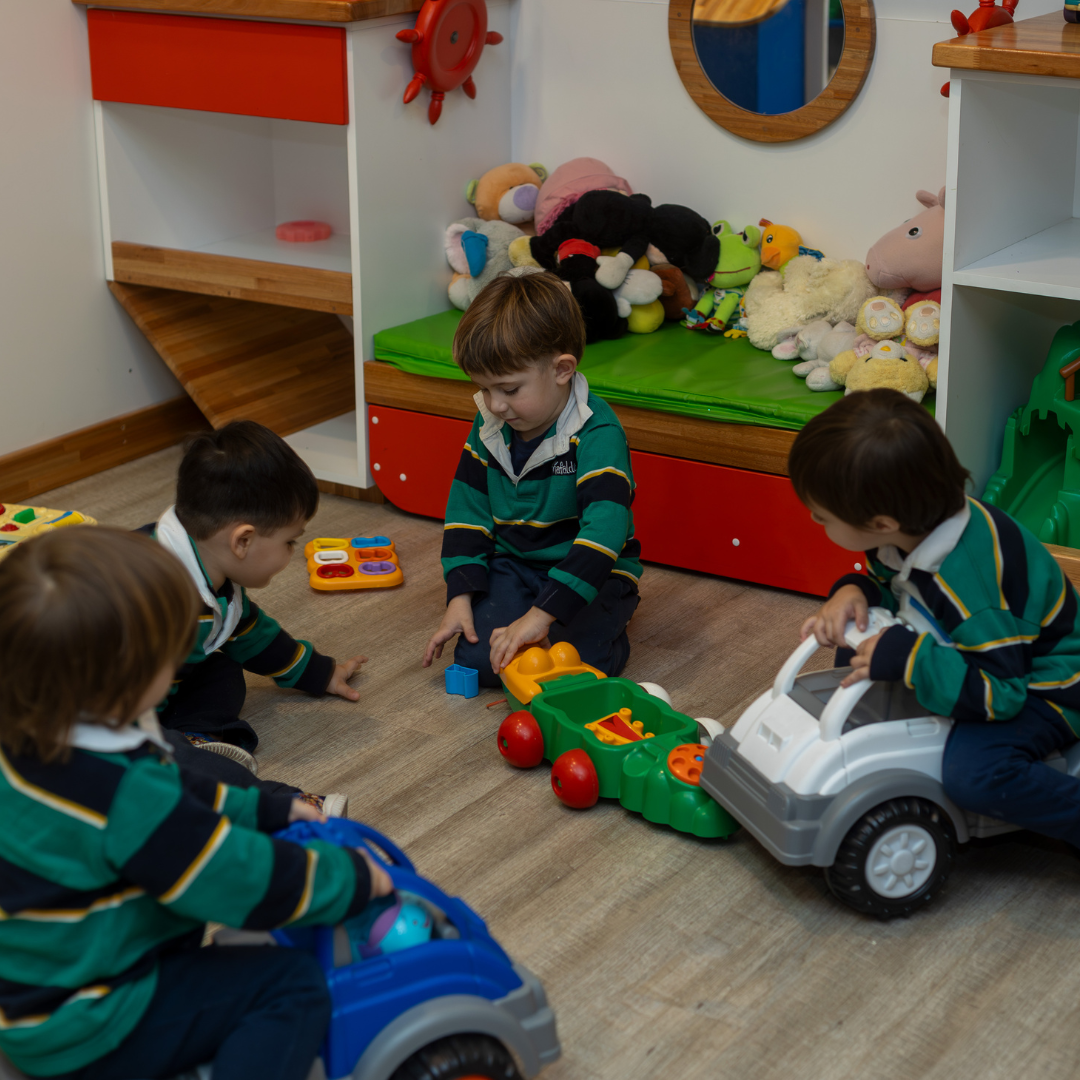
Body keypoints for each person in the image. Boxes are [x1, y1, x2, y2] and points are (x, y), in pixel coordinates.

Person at [0, 528, 392, 1080]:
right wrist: (348, 879)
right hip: (92, 1022)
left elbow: (175, 788)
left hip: (34, 988)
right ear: (131, 676)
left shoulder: (38, 738)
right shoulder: (125, 795)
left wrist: (265, 810)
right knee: (290, 985)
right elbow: (235, 879)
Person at [790, 388, 1080, 845]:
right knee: (860, 644)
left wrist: (910, 659)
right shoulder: (907, 532)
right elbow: (899, 590)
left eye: (821, 516)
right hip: (969, 651)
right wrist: (855, 591)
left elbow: (1002, 694)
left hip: (1046, 687)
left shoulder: (971, 587)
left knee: (974, 775)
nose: (812, 519)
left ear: (882, 522)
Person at [423, 271, 642, 687]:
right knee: (482, 660)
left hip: (593, 569)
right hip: (513, 562)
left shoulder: (598, 433)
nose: (495, 405)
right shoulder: (490, 423)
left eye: (509, 389)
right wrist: (460, 596)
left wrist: (542, 615)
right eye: (484, 389)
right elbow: (468, 513)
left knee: (575, 670)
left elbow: (605, 533)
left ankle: (614, 624)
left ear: (562, 370)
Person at [143, 420, 366, 814]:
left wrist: (319, 673)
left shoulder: (207, 564)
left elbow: (247, 632)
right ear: (242, 541)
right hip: (93, 721)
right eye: (289, 541)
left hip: (150, 691)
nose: (292, 552)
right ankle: (280, 805)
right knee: (166, 765)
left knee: (223, 669)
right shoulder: (161, 602)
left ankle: (190, 739)